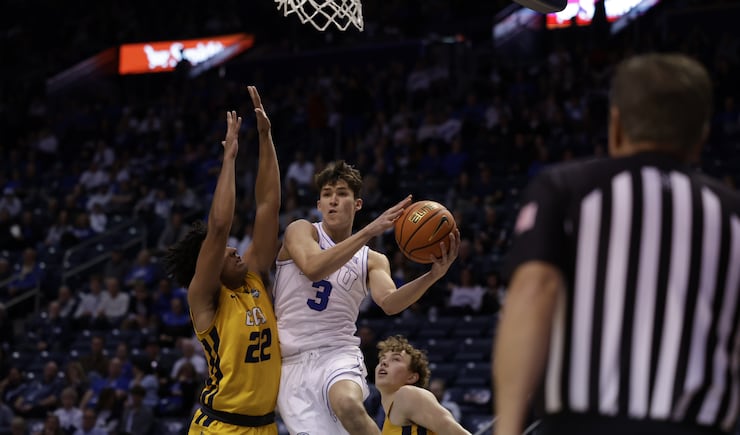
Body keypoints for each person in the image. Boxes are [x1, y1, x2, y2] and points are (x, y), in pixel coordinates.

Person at [493, 53, 740, 435]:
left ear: (616, 124)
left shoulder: (565, 189)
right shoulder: (731, 213)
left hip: (585, 421)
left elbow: (533, 292)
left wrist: (507, 429)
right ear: (701, 135)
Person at [273, 160, 461, 435]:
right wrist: (370, 231)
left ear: (357, 204)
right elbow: (313, 268)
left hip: (337, 353)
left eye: (341, 193)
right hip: (292, 363)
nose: (333, 200)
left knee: (348, 404)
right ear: (319, 204)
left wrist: (433, 276)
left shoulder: (372, 260)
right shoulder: (302, 231)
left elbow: (390, 303)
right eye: (327, 194)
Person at [162, 86, 281, 434]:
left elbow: (268, 205)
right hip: (221, 427)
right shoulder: (205, 299)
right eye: (225, 251)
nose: (233, 250)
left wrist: (265, 137)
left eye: (233, 248)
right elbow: (218, 227)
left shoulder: (255, 275)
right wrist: (229, 158)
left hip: (265, 426)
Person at [374, 335, 470, 435]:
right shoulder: (388, 419)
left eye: (396, 359)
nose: (384, 362)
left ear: (411, 377)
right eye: (382, 359)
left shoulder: (408, 394)